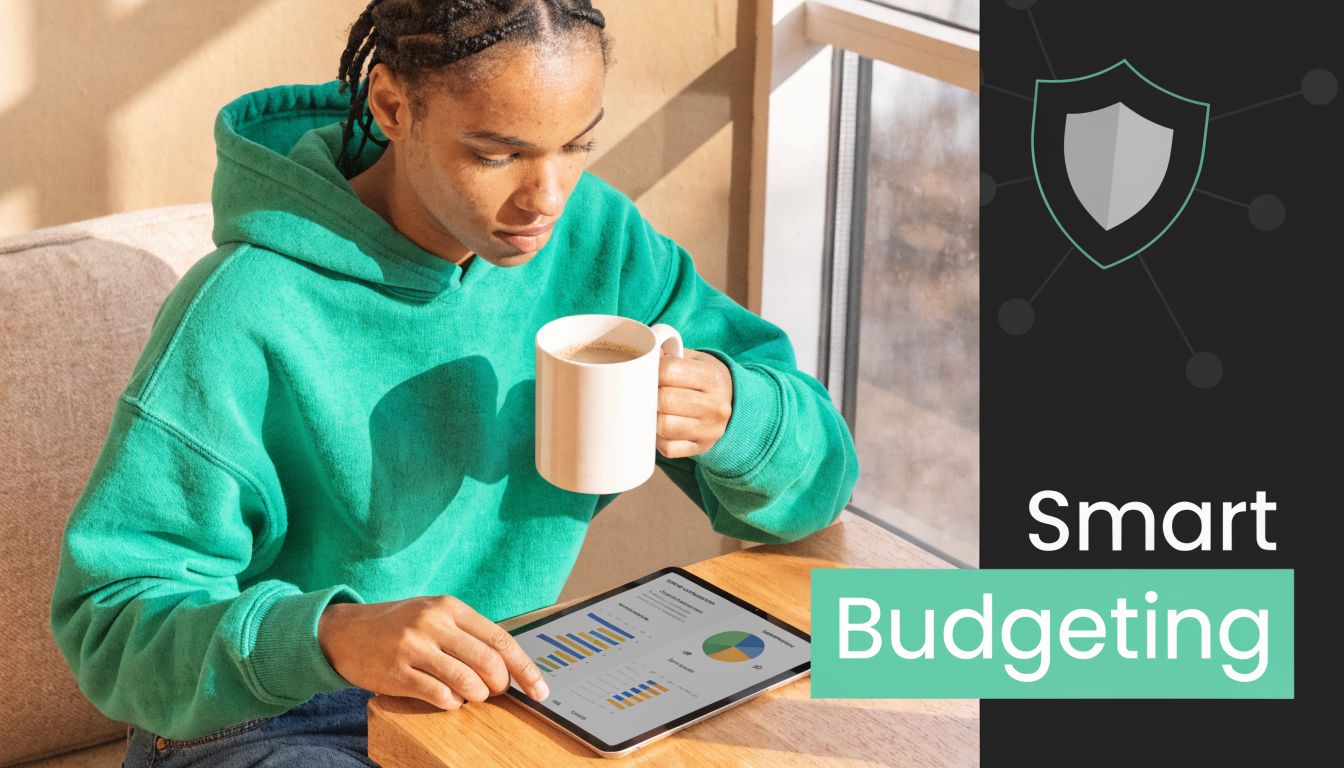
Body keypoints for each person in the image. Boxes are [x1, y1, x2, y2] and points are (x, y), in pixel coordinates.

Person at [49, 1, 859, 765]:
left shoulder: (599, 242)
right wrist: (331, 635)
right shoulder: (245, 310)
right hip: (266, 718)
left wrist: (740, 414)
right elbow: (110, 625)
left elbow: (819, 486)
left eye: (577, 145)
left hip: (494, 698)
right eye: (497, 153)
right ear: (395, 106)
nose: (547, 199)